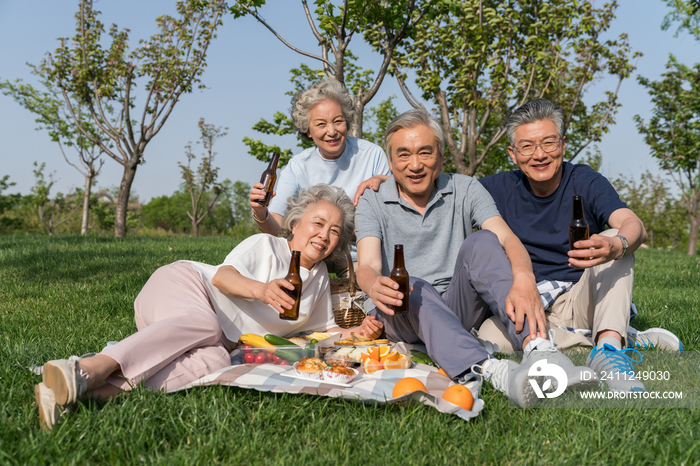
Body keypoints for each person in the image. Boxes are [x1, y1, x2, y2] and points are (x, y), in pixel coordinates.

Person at [35, 184, 383, 430]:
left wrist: (360, 329)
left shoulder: (320, 278)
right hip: (184, 286)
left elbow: (321, 330)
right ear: (295, 224)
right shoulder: (266, 245)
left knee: (217, 361)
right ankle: (86, 368)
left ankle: (82, 396)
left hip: (207, 336)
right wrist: (262, 290)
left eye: (335, 230)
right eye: (318, 223)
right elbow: (223, 277)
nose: (325, 234)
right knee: (206, 326)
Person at [354, 109, 598, 409]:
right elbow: (366, 266)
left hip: (456, 304)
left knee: (484, 240)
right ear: (391, 163)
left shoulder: (466, 188)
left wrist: (523, 278)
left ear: (440, 158)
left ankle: (540, 349)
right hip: (401, 307)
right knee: (413, 285)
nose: (415, 164)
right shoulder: (372, 199)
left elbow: (508, 239)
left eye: (425, 153)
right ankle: (494, 371)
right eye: (403, 155)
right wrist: (373, 284)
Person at [479, 98, 683, 393]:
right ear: (513, 153)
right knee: (488, 339)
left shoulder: (585, 180)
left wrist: (617, 243)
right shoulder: (493, 188)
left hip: (581, 297)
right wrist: (386, 182)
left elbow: (634, 225)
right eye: (527, 146)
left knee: (615, 237)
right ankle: (623, 335)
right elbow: (443, 190)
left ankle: (609, 350)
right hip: (528, 304)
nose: (539, 155)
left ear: (562, 143)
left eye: (548, 143)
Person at [249, 78, 391, 272]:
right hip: (311, 252)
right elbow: (278, 230)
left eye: (338, 121)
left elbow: (392, 212)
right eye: (321, 124)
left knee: (367, 280)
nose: (331, 131)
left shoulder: (372, 155)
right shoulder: (298, 166)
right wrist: (260, 212)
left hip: (358, 255)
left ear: (347, 121)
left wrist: (384, 180)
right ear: (308, 130)